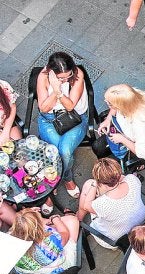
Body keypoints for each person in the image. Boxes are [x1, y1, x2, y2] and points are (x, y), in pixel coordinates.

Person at [36, 52, 89, 211]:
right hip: (50, 119)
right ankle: (65, 179)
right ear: (52, 72)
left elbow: (70, 105)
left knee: (64, 151)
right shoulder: (43, 77)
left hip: (75, 118)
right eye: (61, 78)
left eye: (68, 76)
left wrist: (58, 90)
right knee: (57, 152)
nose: (65, 80)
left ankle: (53, 185)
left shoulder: (78, 74)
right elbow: (44, 108)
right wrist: (55, 90)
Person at [77, 158, 145, 248]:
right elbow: (123, 178)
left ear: (100, 181)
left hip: (116, 238)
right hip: (141, 220)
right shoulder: (132, 179)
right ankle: (78, 218)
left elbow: (86, 205)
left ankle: (78, 219)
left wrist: (94, 183)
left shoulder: (101, 204)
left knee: (87, 185)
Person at [95, 84, 145, 164]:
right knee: (97, 147)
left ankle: (137, 166)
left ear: (120, 106)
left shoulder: (141, 125)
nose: (105, 102)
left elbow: (142, 153)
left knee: (107, 161)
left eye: (109, 103)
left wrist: (121, 139)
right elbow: (115, 105)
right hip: (130, 135)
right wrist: (108, 119)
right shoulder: (131, 96)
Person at [10, 208, 79, 274]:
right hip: (56, 272)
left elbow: (24, 223)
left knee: (54, 227)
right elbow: (65, 233)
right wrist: (55, 219)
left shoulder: (10, 241)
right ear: (39, 226)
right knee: (72, 221)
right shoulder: (49, 241)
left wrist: (27, 215)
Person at [0, 78, 22, 145]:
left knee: (18, 146)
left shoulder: (3, 85)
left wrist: (5, 133)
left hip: (5, 123)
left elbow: (12, 107)